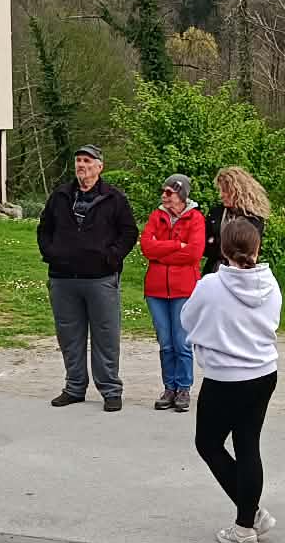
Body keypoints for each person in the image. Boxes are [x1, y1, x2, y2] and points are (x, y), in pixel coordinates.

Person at [183, 217, 283, 543]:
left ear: (223, 250)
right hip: (263, 372)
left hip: (225, 377)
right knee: (248, 445)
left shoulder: (211, 285)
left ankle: (248, 520)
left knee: (208, 444)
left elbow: (187, 319)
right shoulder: (270, 283)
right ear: (257, 248)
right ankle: (247, 521)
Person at [36, 145, 138, 412]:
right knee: (69, 336)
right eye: (79, 160)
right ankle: (74, 387)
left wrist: (111, 257)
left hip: (100, 278)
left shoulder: (114, 198)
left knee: (106, 335)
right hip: (63, 278)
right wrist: (52, 253)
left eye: (87, 161)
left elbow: (129, 232)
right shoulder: (60, 196)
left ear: (99, 167)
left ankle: (111, 390)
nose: (81, 165)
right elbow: (44, 229)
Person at [140, 173, 206, 413]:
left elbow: (194, 253)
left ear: (182, 195)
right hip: (156, 290)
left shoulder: (195, 218)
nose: (164, 196)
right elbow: (147, 247)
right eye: (163, 191)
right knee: (165, 343)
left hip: (183, 290)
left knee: (182, 342)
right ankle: (169, 387)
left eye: (169, 192)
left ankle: (183, 388)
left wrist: (161, 253)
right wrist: (177, 245)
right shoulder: (156, 216)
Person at [201, 166, 271, 276]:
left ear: (237, 191)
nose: (221, 195)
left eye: (225, 191)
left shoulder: (254, 219)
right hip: (215, 271)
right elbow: (205, 247)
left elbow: (248, 250)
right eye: (220, 190)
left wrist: (217, 245)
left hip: (243, 273)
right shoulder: (215, 213)